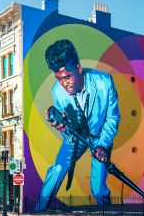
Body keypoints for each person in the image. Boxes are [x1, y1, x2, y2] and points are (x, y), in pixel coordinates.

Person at [36, 39, 120, 210]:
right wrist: (63, 128)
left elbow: (112, 118)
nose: (64, 84)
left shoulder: (105, 82)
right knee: (57, 170)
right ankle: (38, 211)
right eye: (59, 79)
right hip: (77, 137)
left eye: (67, 76)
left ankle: (107, 212)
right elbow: (69, 131)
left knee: (97, 189)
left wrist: (103, 145)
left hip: (100, 136)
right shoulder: (57, 91)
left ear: (79, 68)